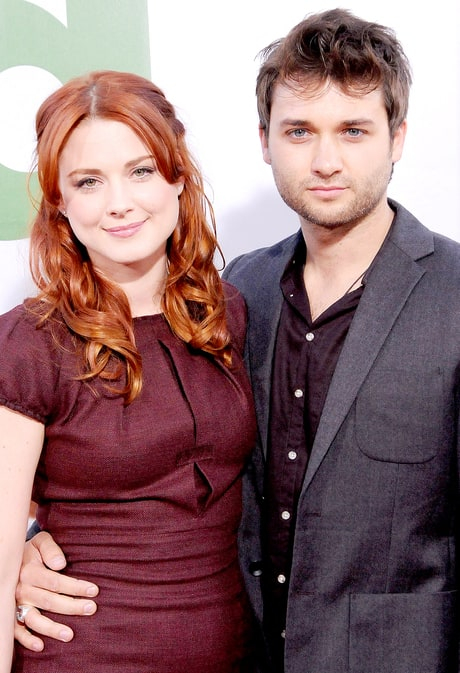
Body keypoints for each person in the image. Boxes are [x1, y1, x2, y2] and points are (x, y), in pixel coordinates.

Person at [13, 8, 460, 673]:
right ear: (264, 140)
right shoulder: (237, 295)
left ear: (398, 139)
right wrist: (23, 547)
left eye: (354, 130)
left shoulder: (452, 294)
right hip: (238, 647)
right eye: (300, 131)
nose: (326, 159)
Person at [0, 69, 258, 673]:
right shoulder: (30, 343)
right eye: (88, 181)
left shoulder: (229, 314)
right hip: (84, 654)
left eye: (140, 170)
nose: (119, 202)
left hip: (233, 649)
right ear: (60, 203)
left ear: (176, 178)